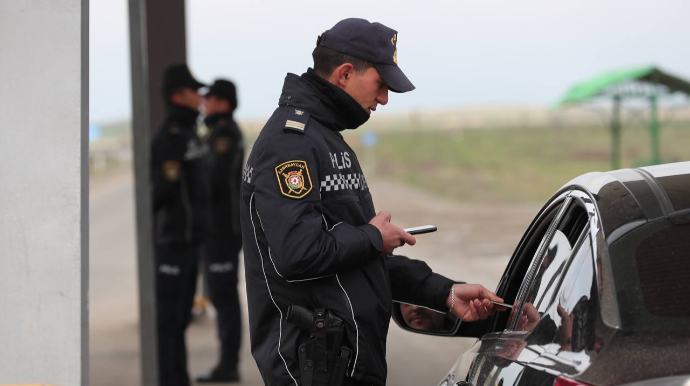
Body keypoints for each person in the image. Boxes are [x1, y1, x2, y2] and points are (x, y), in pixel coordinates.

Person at [239, 19, 503, 386]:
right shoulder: (290, 144)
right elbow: (297, 252)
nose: (383, 99)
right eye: (381, 85)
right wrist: (371, 237)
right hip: (313, 367)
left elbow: (358, 259)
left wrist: (443, 291)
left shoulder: (326, 139)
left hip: (345, 361)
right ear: (345, 74)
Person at [150, 63, 209, 386]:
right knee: (169, 323)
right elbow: (161, 193)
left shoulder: (188, 132)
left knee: (181, 320)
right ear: (177, 96)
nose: (200, 97)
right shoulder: (169, 137)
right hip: (172, 244)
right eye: (194, 91)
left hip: (190, 243)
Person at [196, 79, 245, 383]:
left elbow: (212, 180)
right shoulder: (216, 132)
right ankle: (227, 362)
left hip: (223, 231)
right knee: (219, 295)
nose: (204, 103)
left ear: (223, 103)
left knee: (224, 297)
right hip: (215, 229)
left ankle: (228, 365)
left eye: (210, 99)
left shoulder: (225, 134)